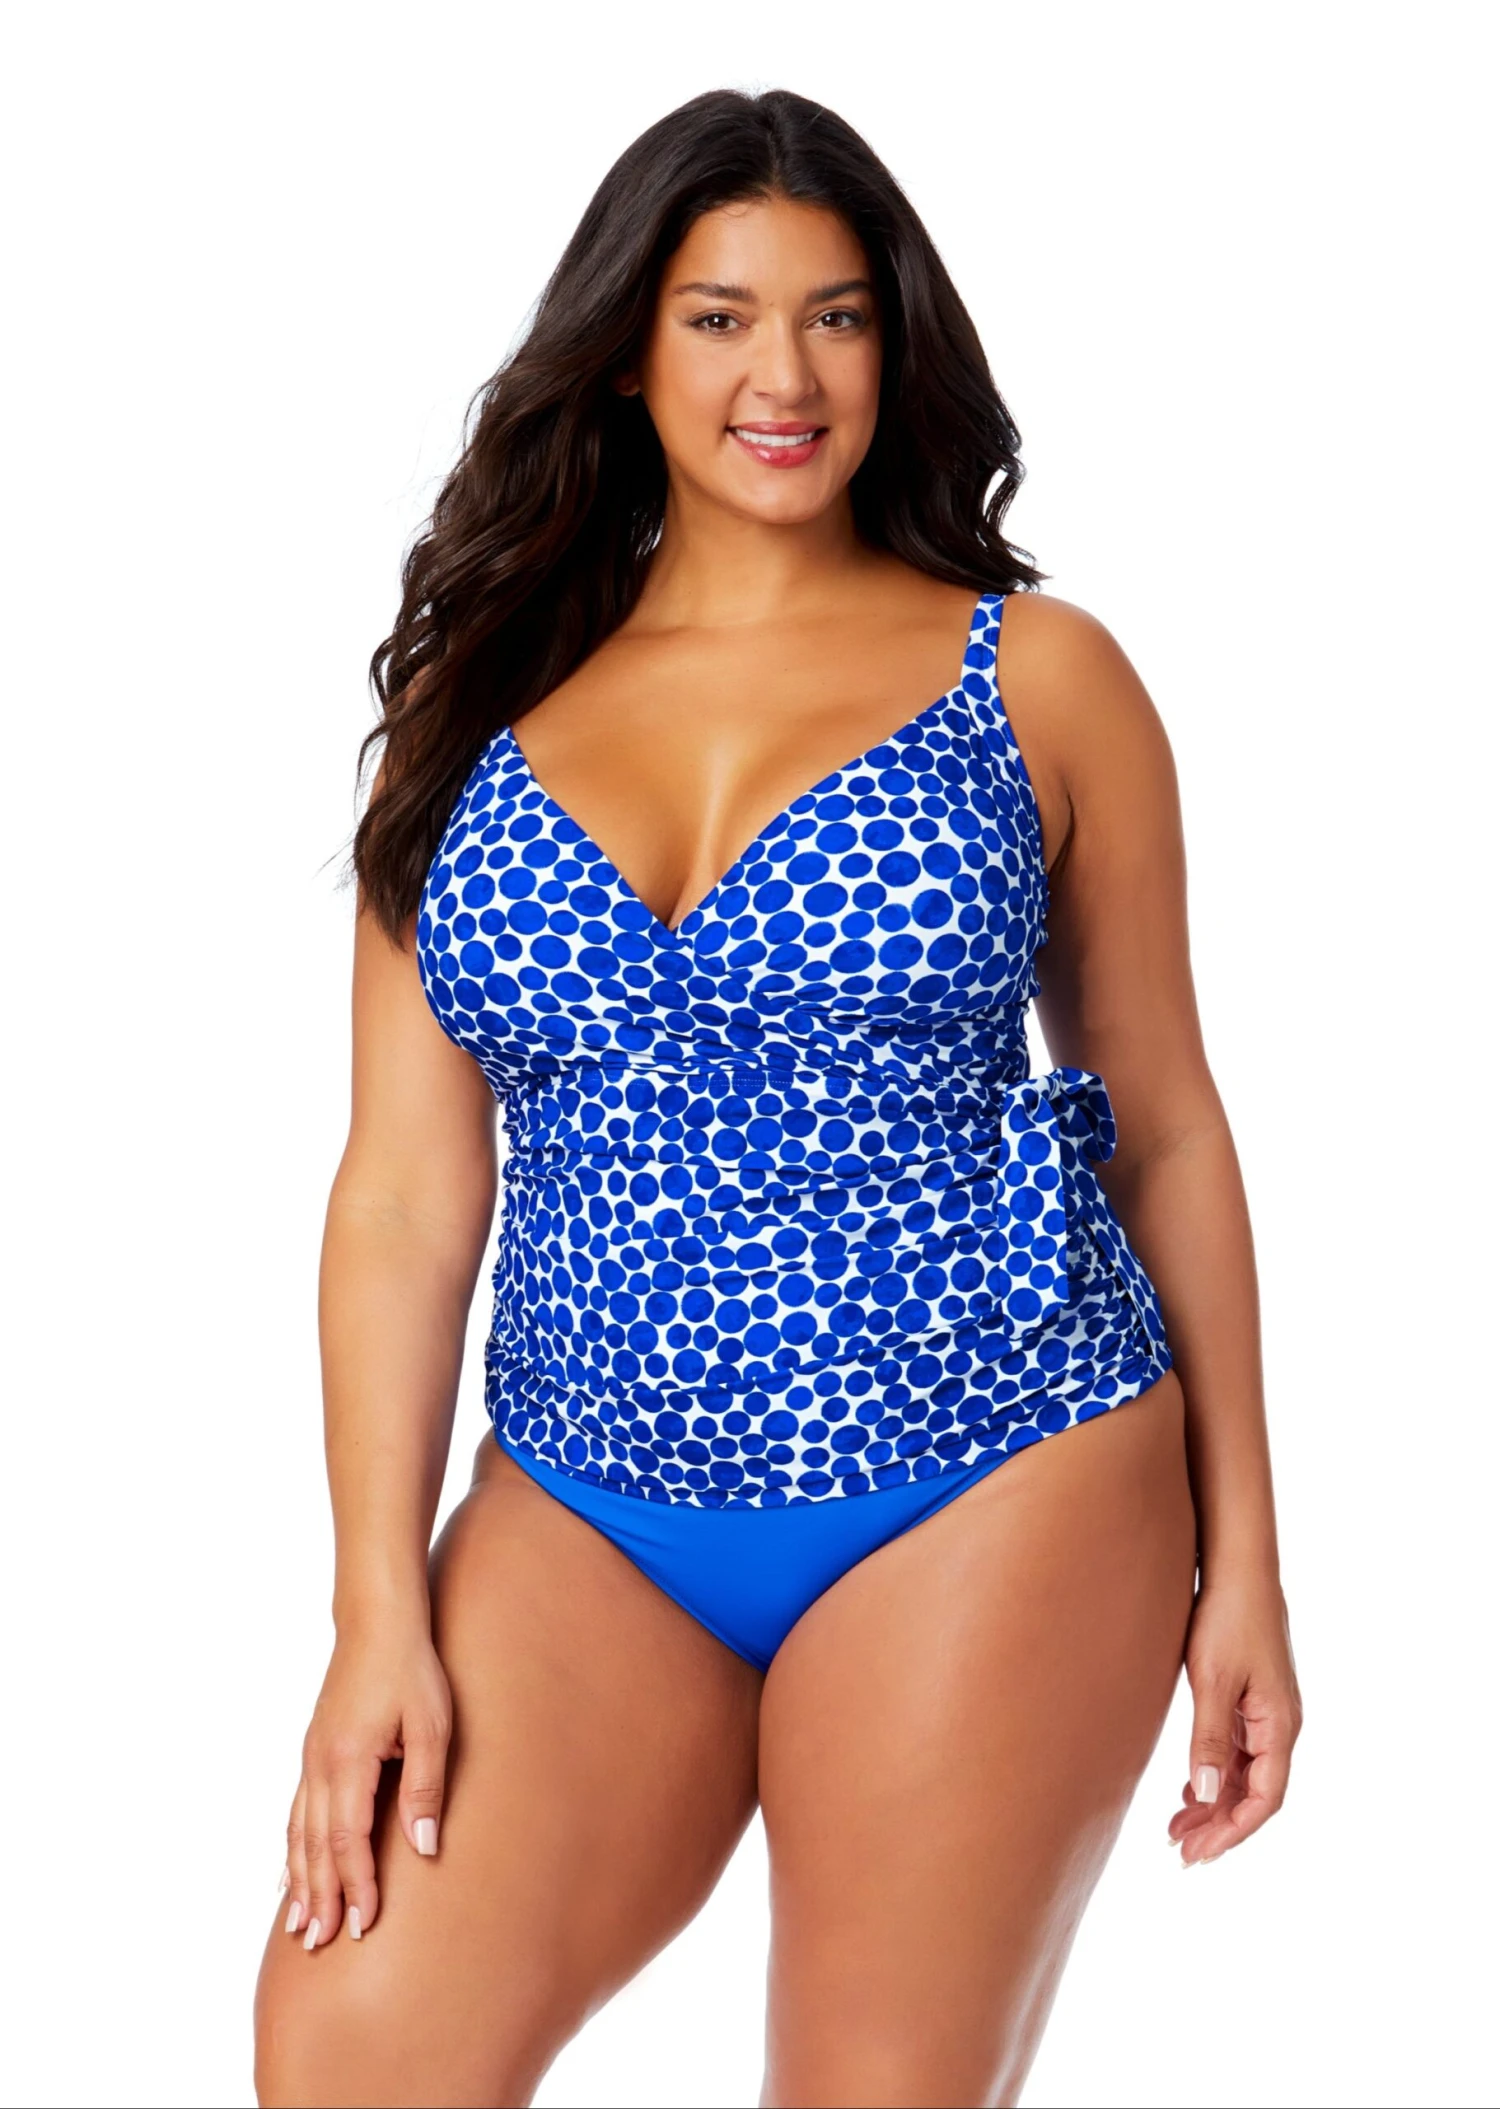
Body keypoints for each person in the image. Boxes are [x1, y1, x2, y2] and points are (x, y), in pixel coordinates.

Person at [253, 86, 1301, 2109]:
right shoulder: (474, 711)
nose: (786, 378)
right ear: (625, 349)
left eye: (837, 317)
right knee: (352, 2049)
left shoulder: (1039, 678)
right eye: (721, 317)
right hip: (586, 1507)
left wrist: (1245, 1550)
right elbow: (399, 1196)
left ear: (896, 348)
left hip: (995, 1464)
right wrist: (376, 1604)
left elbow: (1165, 1119)